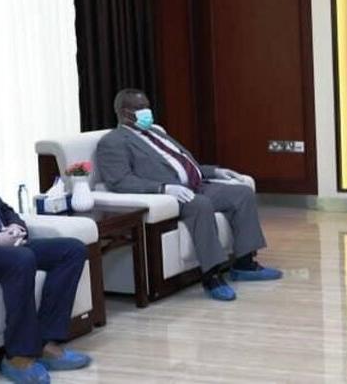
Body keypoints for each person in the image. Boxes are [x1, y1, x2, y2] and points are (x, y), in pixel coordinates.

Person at [95, 89, 281, 302]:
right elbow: (120, 180)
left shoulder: (156, 132)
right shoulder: (113, 141)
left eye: (147, 106)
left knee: (242, 193)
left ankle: (244, 265)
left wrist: (215, 172)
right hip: (172, 194)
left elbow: (183, 163)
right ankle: (212, 277)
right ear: (124, 112)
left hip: (197, 185)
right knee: (200, 205)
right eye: (140, 108)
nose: (147, 111)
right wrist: (163, 188)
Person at [0, 110, 91, 384]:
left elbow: (2, 205)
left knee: (72, 250)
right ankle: (17, 356)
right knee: (21, 259)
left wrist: (16, 225)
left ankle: (45, 341)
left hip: (5, 242)